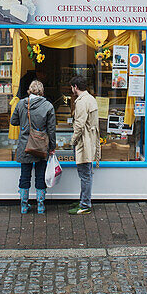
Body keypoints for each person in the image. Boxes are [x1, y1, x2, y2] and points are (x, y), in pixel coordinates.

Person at [10, 80, 57, 214]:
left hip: (25, 145)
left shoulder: (21, 104)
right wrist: (52, 147)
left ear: (29, 90)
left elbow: (13, 121)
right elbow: (51, 129)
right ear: (42, 91)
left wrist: (24, 124)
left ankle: (24, 206)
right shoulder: (48, 106)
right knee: (40, 175)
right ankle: (41, 206)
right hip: (41, 145)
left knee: (24, 175)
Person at [67, 75, 100, 215]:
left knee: (85, 174)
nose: (71, 90)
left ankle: (85, 204)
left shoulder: (81, 102)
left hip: (84, 142)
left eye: (72, 87)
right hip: (90, 140)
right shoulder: (91, 98)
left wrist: (72, 141)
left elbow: (79, 125)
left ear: (75, 87)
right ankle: (83, 199)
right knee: (87, 173)